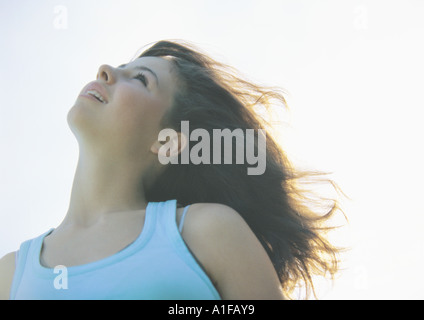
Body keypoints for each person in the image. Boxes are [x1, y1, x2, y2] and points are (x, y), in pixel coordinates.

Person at [0, 40, 342, 300]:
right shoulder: (10, 274)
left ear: (168, 143)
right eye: (120, 67)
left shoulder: (204, 232)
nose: (105, 70)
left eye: (140, 79)